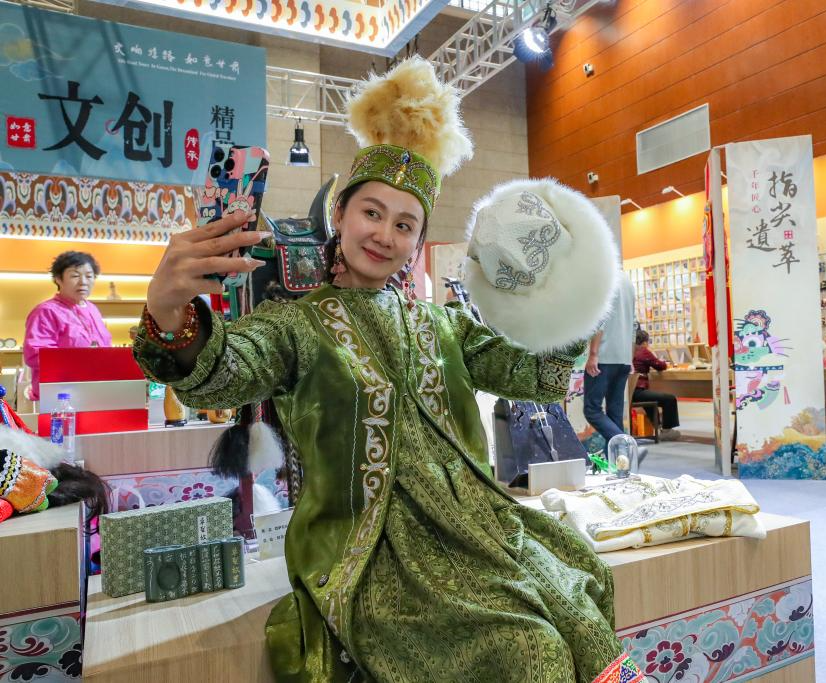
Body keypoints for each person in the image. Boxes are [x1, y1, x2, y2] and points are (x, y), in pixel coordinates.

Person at [132, 58, 639, 683]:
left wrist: (572, 301)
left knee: (581, 601)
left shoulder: (443, 324)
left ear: (417, 242)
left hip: (479, 530)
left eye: (405, 224)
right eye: (371, 213)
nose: (384, 235)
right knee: (529, 647)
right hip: (371, 550)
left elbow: (532, 377)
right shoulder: (293, 326)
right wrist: (168, 312)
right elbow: (224, 372)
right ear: (340, 216)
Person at [23, 251, 112, 401]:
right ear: (58, 279)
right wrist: (81, 364)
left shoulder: (92, 309)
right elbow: (36, 354)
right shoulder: (46, 311)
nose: (83, 282)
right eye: (75, 276)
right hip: (60, 395)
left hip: (96, 389)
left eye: (89, 276)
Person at [584, 271, 636, 450]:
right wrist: (630, 356)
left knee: (592, 409)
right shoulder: (627, 281)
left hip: (604, 356)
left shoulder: (603, 277)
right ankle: (620, 461)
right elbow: (633, 324)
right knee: (615, 414)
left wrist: (593, 353)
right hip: (623, 358)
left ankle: (626, 444)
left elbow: (600, 320)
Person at [632, 328, 681, 441]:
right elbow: (660, 365)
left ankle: (658, 428)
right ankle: (667, 430)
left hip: (631, 392)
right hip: (638, 391)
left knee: (651, 397)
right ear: (645, 342)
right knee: (670, 399)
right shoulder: (643, 351)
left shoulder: (632, 351)